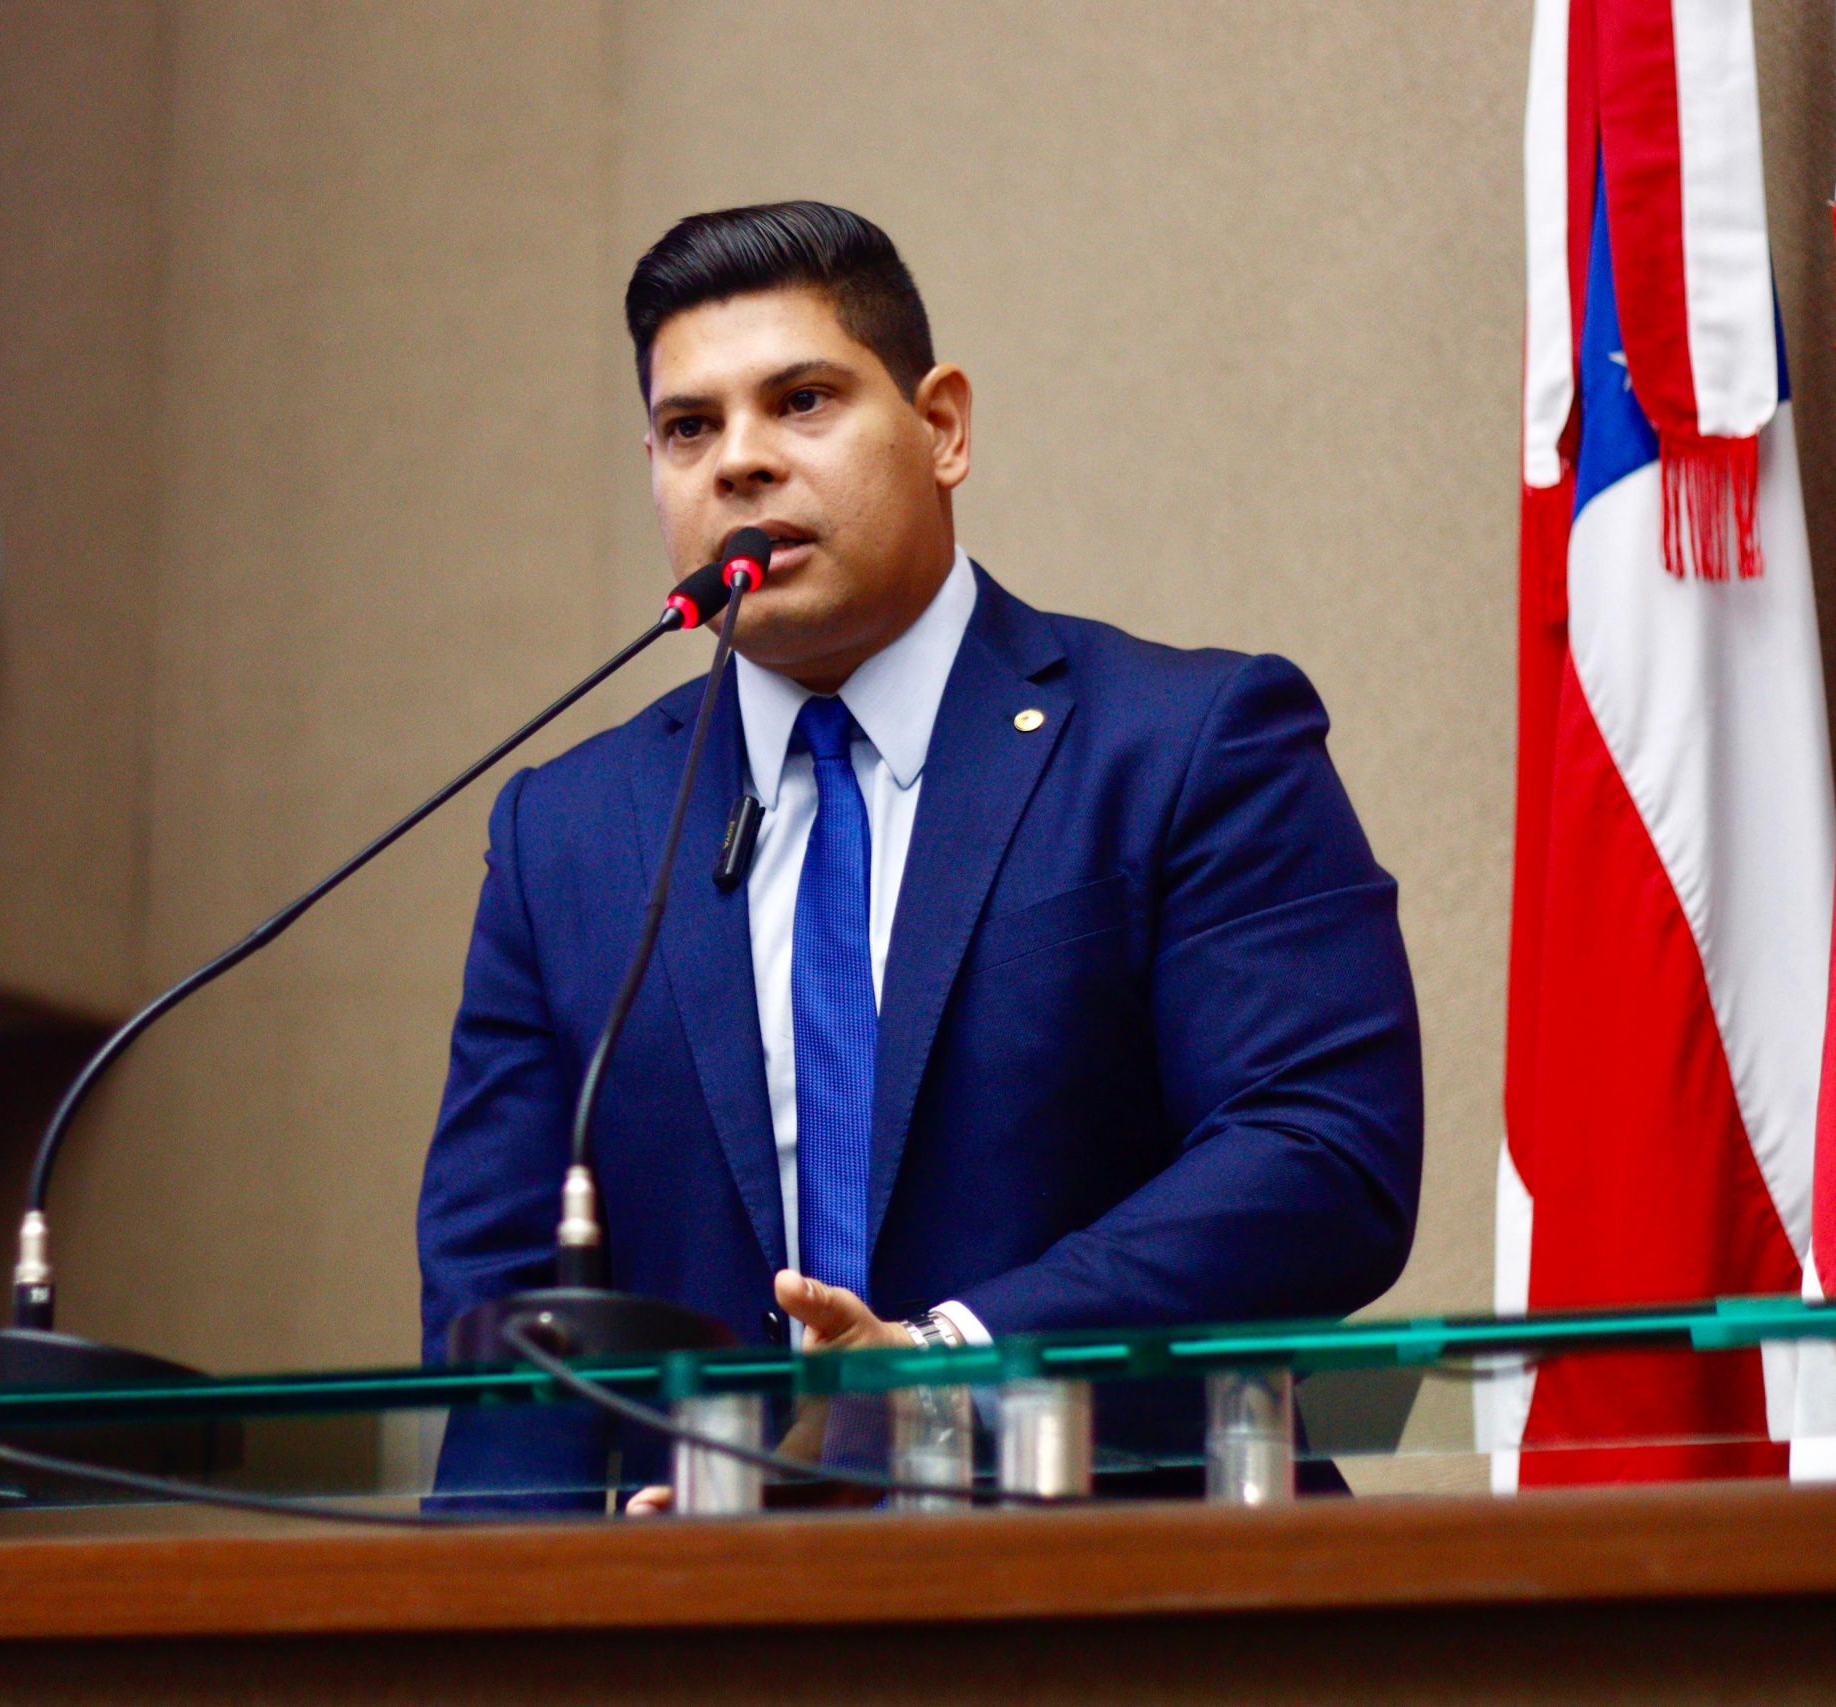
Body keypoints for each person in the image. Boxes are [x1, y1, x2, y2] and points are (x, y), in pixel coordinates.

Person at [416, 201, 1421, 1505]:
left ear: (942, 427)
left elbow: (1318, 1152)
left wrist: (947, 1365)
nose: (741, 463)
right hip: (694, 1627)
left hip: (1125, 1596)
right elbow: (502, 1289)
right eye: (689, 429)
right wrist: (541, 1592)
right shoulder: (569, 831)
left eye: (804, 400)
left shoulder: (1182, 744)